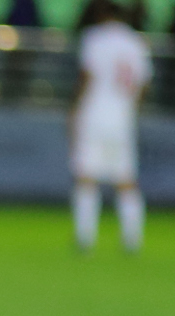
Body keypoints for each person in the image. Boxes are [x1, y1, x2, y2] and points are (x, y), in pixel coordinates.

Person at [71, 0, 151, 254]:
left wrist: (74, 110)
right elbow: (143, 83)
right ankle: (132, 239)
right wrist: (131, 111)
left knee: (86, 178)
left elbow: (88, 76)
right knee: (126, 179)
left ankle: (85, 238)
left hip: (94, 114)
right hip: (121, 118)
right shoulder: (136, 42)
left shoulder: (94, 38)